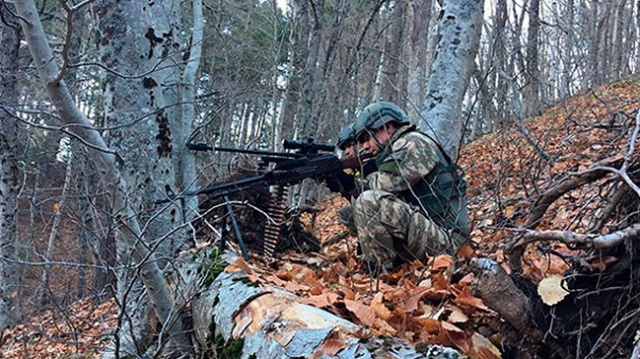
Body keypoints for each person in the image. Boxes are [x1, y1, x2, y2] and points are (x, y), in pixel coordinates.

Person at [348, 101, 469, 275]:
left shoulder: (412, 143)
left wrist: (350, 181)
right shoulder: (395, 149)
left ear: (388, 127)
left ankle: (379, 279)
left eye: (367, 138)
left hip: (452, 244)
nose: (365, 146)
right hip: (431, 232)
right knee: (349, 212)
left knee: (368, 202)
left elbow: (387, 185)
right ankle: (396, 265)